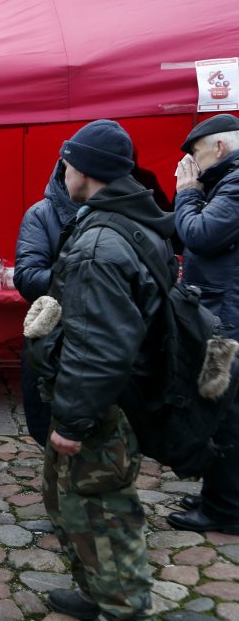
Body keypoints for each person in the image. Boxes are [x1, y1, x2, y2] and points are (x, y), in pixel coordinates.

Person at [32, 120, 172, 620]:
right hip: (118, 395)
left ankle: (121, 607)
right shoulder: (135, 217)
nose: (63, 169)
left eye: (67, 161)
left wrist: (72, 421)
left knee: (100, 510)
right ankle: (98, 594)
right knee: (76, 501)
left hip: (104, 405)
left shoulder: (99, 245)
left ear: (84, 170)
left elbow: (100, 346)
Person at [167, 113, 239, 535]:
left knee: (226, 414)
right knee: (222, 411)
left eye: (193, 156)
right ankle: (219, 494)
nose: (189, 167)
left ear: (219, 148)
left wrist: (187, 193)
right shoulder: (226, 182)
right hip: (222, 310)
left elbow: (201, 234)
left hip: (228, 320)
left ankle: (225, 508)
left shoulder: (233, 183)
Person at [13, 159, 79, 446]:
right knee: (54, 434)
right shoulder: (42, 214)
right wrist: (86, 272)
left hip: (115, 340)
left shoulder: (128, 212)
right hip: (57, 338)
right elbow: (27, 277)